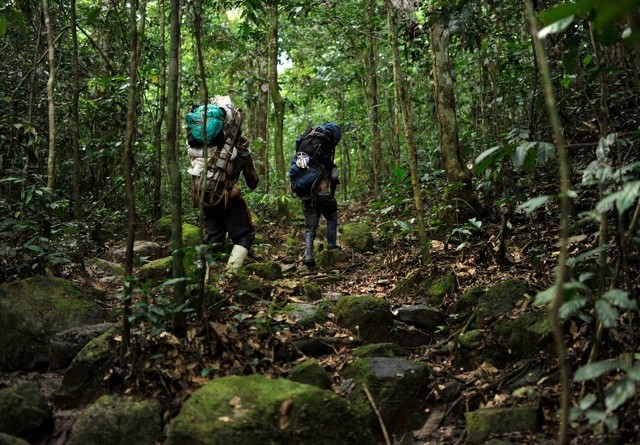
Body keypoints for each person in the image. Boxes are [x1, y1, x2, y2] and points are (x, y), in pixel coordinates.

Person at [186, 95, 259, 273]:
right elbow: (253, 183)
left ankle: (203, 281)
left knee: (212, 241)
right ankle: (230, 277)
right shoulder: (236, 151)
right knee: (245, 236)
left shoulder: (200, 149)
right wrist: (246, 158)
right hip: (228, 197)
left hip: (204, 194)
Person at [295, 122, 341, 267]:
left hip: (306, 192)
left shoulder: (304, 147)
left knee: (310, 226)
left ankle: (309, 255)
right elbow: (333, 177)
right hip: (322, 192)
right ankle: (332, 244)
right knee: (332, 214)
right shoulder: (326, 151)